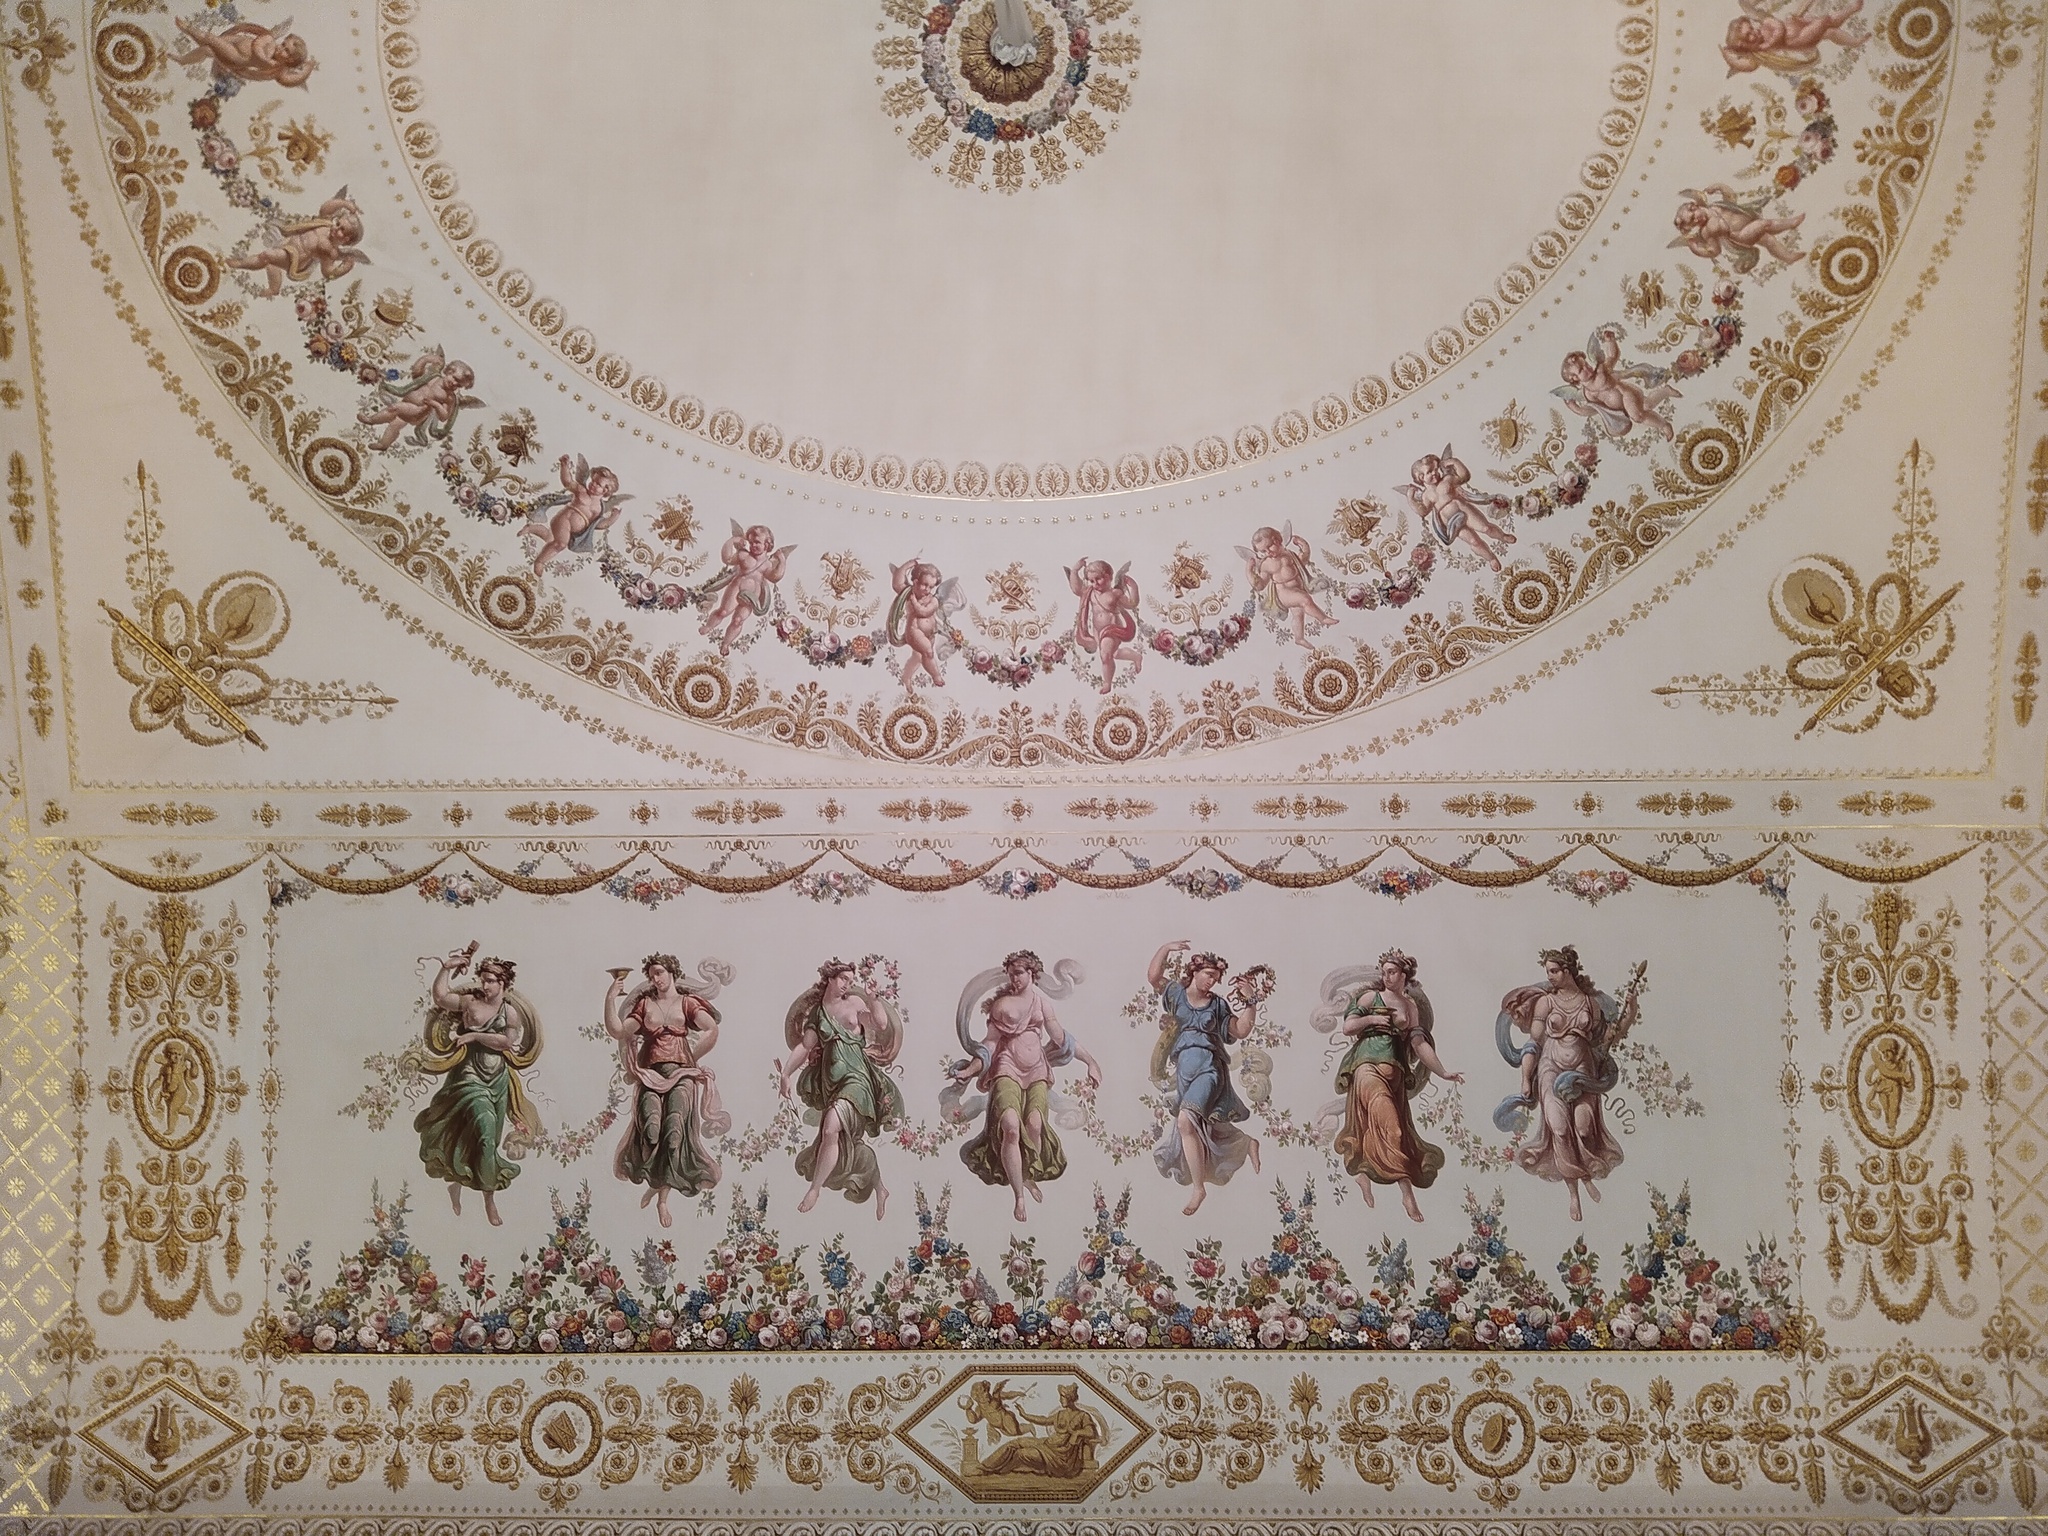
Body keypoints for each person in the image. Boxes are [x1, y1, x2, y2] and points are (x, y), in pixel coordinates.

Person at [949, 950, 1102, 1221]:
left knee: (1034, 1125)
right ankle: (1019, 1196)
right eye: (1011, 974)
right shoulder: (1002, 1006)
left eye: (1019, 973)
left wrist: (1090, 1061)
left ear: (1032, 973)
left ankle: (1027, 1174)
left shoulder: (1042, 1004)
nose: (1014, 979)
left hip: (1037, 1070)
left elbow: (1061, 1039)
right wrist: (971, 1070)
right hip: (1006, 1066)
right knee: (1010, 1125)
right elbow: (990, 1044)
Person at [1500, 946, 1632, 1221]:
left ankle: (1585, 1175)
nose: (1549, 976)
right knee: (1559, 1128)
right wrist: (1526, 1079)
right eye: (1548, 972)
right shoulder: (1546, 1003)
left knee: (1583, 1128)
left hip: (1583, 1072)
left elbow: (1607, 1040)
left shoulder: (1590, 1004)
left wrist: (1629, 1015)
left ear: (1567, 970)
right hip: (1551, 1068)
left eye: (1553, 971)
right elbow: (1533, 1044)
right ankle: (1575, 1191)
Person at [413, 952, 542, 1226]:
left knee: (488, 1140)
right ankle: (489, 1200)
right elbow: (441, 997)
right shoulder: (471, 1002)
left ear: (503, 983)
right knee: (485, 1130)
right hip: (469, 1076)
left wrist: (473, 1035)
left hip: (498, 1080)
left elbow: (506, 1043)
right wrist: (446, 968)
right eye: (483, 979)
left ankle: (459, 1184)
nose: (485, 985)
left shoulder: (510, 1012)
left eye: (491, 981)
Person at [1334, 950, 1463, 1222]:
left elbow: (1419, 1043)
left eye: (1391, 972)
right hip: (1366, 1066)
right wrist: (1371, 1020)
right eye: (1383, 972)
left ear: (1404, 975)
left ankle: (1364, 1174)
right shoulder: (1370, 998)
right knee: (1393, 1129)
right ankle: (1407, 1196)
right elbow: (1348, 1027)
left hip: (1395, 1076)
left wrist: (1442, 1071)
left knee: (1392, 1132)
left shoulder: (1410, 1007)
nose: (1386, 977)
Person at [605, 954, 729, 1227]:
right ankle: (657, 1182)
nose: (656, 979)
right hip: (650, 1074)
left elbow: (711, 1029)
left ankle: (662, 1198)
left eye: (659, 972)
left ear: (672, 972)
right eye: (651, 975)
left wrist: (691, 1059)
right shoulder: (644, 1005)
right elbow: (619, 1031)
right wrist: (610, 998)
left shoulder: (687, 1002)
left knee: (674, 1133)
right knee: (651, 1130)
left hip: (681, 1074)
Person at [778, 960, 904, 1218]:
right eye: (843, 978)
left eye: (850, 980)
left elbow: (880, 1024)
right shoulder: (817, 1013)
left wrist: (873, 999)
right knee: (844, 1141)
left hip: (857, 1078)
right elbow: (805, 1046)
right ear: (829, 978)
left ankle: (814, 1190)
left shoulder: (854, 1004)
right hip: (832, 1084)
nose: (848, 984)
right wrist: (785, 1074)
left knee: (830, 1128)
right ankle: (879, 1187)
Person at [1147, 942, 1261, 1215]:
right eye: (1208, 975)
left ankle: (1199, 1189)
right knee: (1201, 1126)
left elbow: (1241, 1030)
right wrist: (1166, 948)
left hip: (1210, 1069)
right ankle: (1245, 1143)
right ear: (1195, 971)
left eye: (1216, 978)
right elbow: (1153, 976)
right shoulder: (1176, 994)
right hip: (1183, 1072)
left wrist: (1251, 1001)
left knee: (1186, 1121)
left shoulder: (1217, 1005)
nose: (1212, 981)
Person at [975, 1384, 1106, 1479]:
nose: (1060, 1399)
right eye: (1061, 1397)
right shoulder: (1060, 1414)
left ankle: (998, 1470)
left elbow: (1091, 1432)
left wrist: (1077, 1433)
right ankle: (986, 1466)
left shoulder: (1083, 1416)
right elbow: (1044, 1420)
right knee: (1015, 1443)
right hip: (1047, 1444)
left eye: (1063, 1397)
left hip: (1061, 1456)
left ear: (1070, 1398)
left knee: (1021, 1453)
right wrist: (1025, 1415)